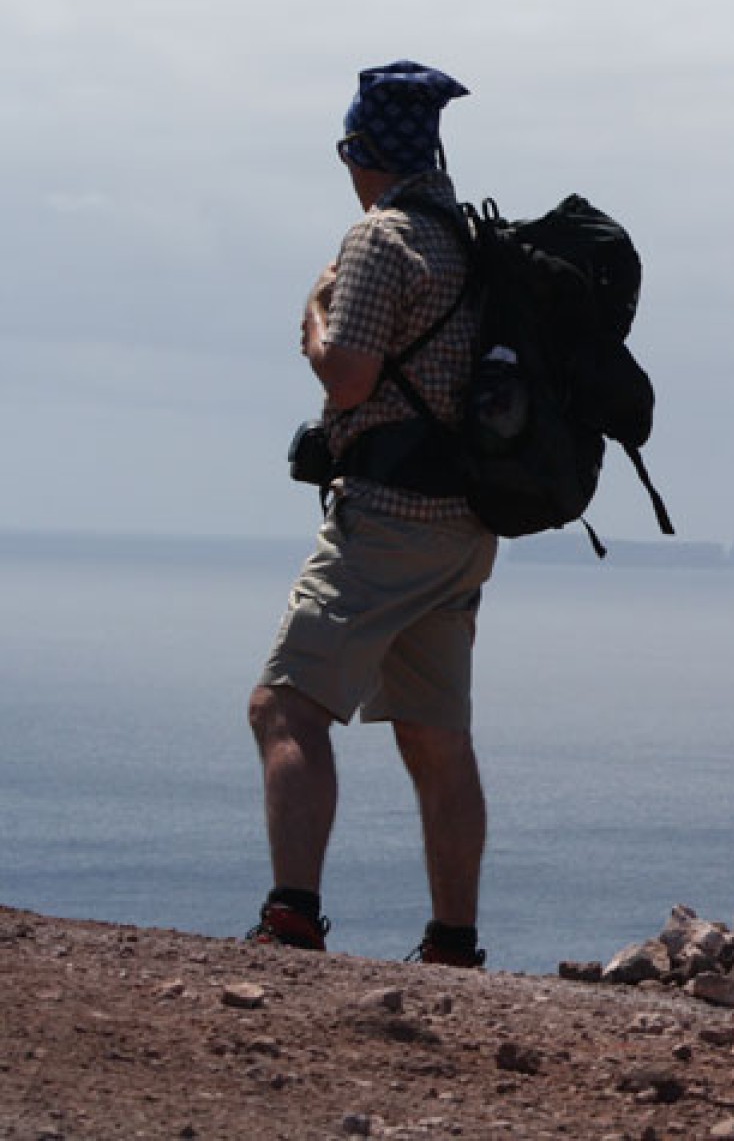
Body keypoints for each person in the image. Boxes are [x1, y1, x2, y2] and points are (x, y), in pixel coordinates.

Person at [246, 60, 496, 967]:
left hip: (387, 515)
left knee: (284, 706)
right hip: (466, 526)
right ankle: (453, 941)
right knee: (436, 732)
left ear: (361, 151)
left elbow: (348, 373)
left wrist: (313, 321)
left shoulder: (380, 240)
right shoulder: (467, 242)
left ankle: (292, 915)